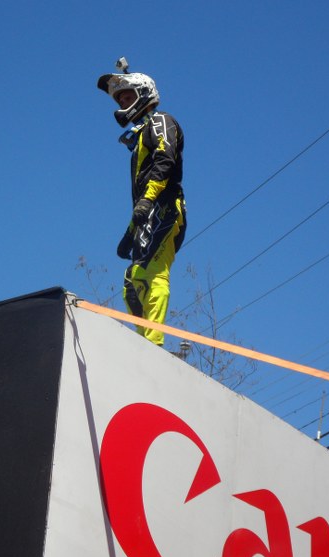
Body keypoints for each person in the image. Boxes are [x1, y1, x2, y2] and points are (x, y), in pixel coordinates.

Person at [97, 66, 187, 347]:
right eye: (119, 100)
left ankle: (154, 342)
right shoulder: (140, 133)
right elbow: (140, 200)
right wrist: (129, 231)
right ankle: (143, 343)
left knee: (151, 272)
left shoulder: (161, 120)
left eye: (126, 97)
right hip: (150, 211)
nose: (122, 103)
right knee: (132, 282)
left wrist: (148, 201)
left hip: (166, 205)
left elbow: (165, 159)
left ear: (143, 93)